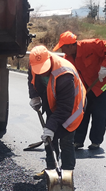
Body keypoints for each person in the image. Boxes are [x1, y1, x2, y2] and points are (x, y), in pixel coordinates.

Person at [53, 31, 106, 150]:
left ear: (70, 46)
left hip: (103, 83)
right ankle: (78, 141)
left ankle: (96, 141)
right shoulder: (67, 58)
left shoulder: (91, 45)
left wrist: (105, 66)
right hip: (85, 88)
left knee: (99, 112)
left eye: (63, 48)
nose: (62, 51)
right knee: (82, 112)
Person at [27, 45, 86, 177]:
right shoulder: (33, 64)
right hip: (52, 101)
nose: (41, 72)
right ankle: (51, 170)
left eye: (44, 69)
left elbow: (64, 108)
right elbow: (31, 80)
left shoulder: (64, 73)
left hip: (72, 107)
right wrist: (34, 96)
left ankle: (67, 174)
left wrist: (51, 127)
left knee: (65, 138)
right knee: (49, 138)